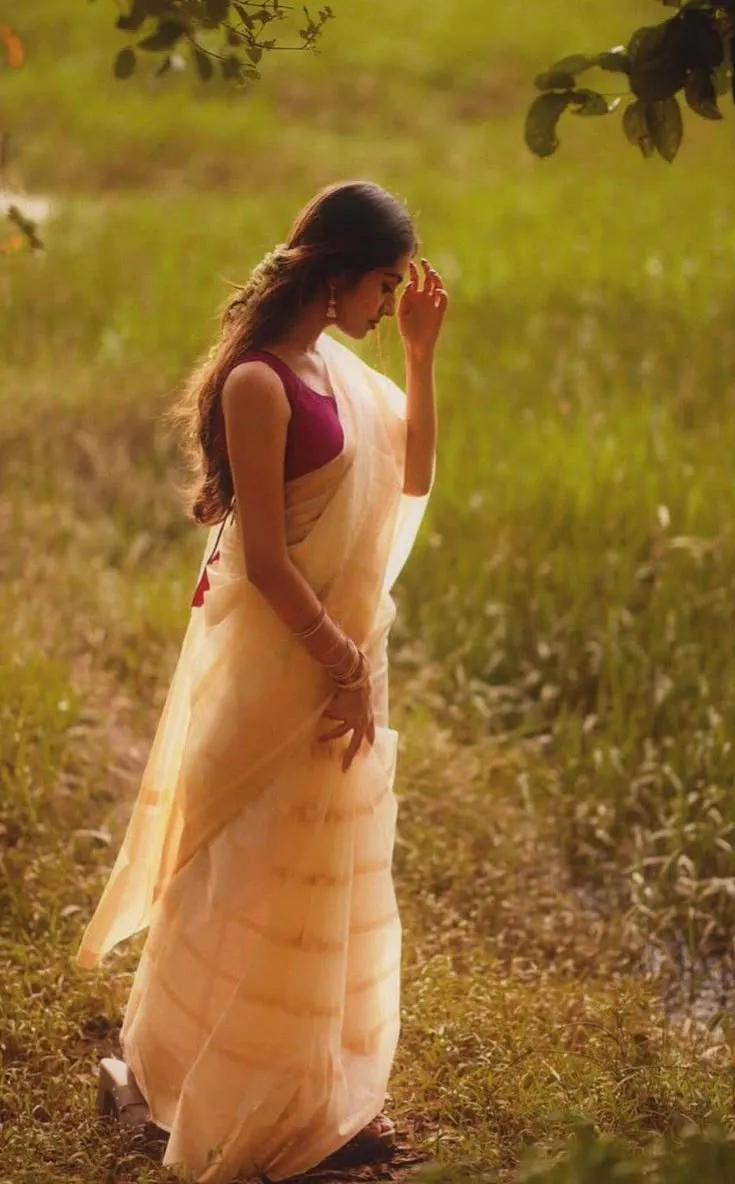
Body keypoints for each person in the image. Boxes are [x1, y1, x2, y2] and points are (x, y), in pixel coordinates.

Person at [76, 180, 448, 1184]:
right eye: (381, 288)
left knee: (327, 868)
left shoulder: (340, 369)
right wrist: (342, 666)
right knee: (248, 862)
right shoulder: (259, 385)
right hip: (284, 654)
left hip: (339, 652)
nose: (385, 304)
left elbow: (411, 477)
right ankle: (221, 1081)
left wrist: (418, 356)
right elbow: (271, 561)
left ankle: (312, 1091)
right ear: (335, 277)